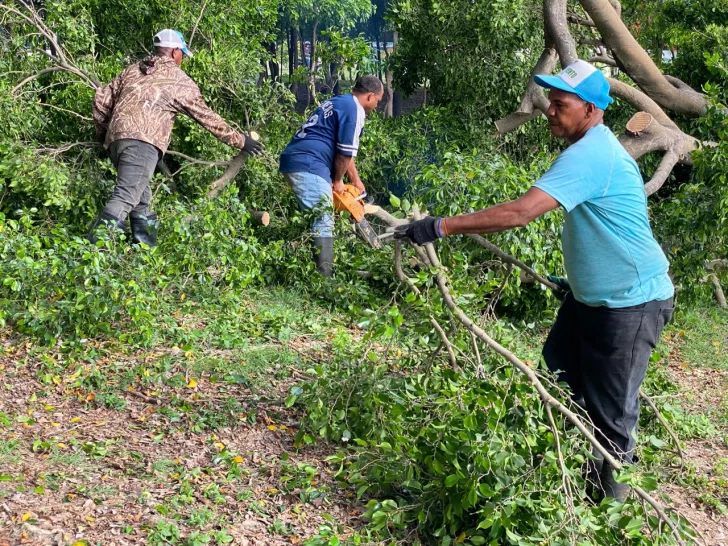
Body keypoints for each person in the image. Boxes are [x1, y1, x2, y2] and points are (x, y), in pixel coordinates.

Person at [394, 60, 675, 502]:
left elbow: (520, 213)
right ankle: (567, 478)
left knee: (612, 415)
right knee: (558, 373)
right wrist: (579, 283)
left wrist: (441, 226)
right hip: (593, 299)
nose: (550, 110)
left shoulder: (592, 154)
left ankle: (609, 513)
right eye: (549, 102)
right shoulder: (589, 148)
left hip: (629, 303)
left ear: (591, 109)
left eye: (560, 104)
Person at [90, 29, 263, 246]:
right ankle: (90, 257)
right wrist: (241, 140)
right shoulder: (177, 80)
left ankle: (143, 255)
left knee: (141, 201)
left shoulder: (132, 71)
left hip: (117, 141)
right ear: (174, 52)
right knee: (126, 196)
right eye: (182, 53)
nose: (182, 58)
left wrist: (105, 135)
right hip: (142, 143)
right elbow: (206, 116)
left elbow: (101, 100)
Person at [279, 75, 384, 276]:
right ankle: (324, 282)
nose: (377, 106)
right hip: (309, 163)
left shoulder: (340, 101)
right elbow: (345, 153)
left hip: (300, 158)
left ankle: (308, 264)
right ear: (370, 96)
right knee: (323, 219)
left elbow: (346, 150)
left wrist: (355, 181)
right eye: (378, 101)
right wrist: (337, 182)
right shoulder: (355, 111)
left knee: (318, 216)